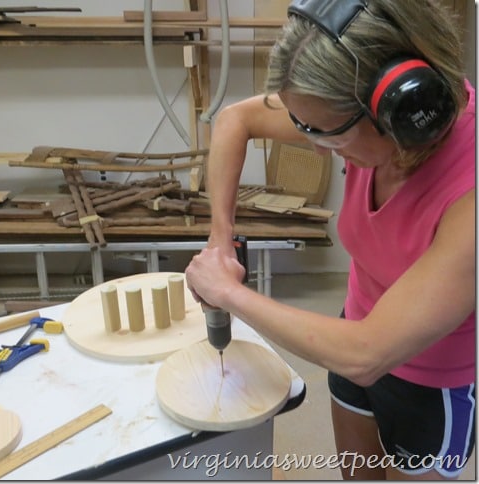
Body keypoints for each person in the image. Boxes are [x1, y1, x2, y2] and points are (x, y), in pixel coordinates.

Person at [185, 0, 475, 480]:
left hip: (427, 381)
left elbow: (366, 353)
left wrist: (228, 293)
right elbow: (235, 120)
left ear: (400, 112)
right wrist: (220, 239)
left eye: (329, 136)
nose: (316, 148)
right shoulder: (366, 124)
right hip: (352, 331)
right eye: (306, 128)